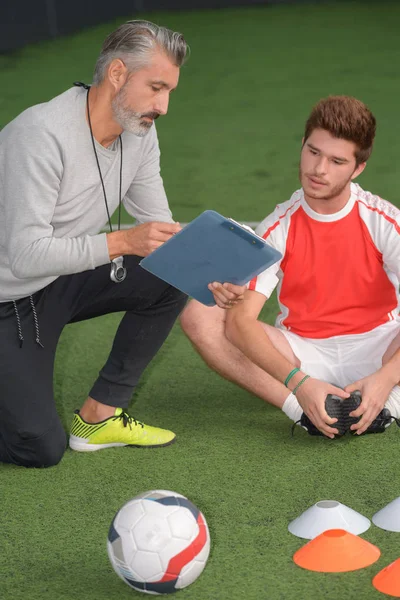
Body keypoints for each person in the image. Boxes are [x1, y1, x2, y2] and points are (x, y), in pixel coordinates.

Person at [0, 20, 242, 468]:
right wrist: (122, 241)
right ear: (116, 74)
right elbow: (26, 254)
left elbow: (159, 230)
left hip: (59, 279)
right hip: (9, 296)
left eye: (169, 90)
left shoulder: (140, 133)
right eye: (155, 87)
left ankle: (99, 415)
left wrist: (208, 278)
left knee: (168, 275)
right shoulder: (39, 135)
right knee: (38, 448)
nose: (164, 105)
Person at [181, 95, 400, 439]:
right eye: (313, 152)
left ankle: (388, 405)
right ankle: (303, 410)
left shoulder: (383, 221)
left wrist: (388, 376)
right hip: (305, 352)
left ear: (358, 168)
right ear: (302, 145)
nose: (319, 169)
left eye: (337, 160)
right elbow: (240, 323)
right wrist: (298, 384)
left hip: (380, 346)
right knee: (200, 315)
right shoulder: (276, 227)